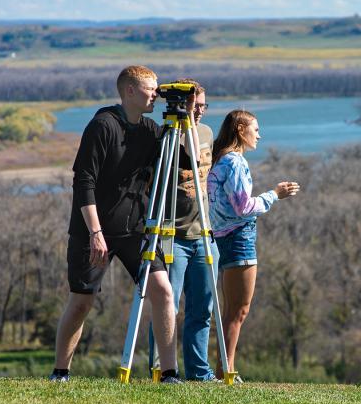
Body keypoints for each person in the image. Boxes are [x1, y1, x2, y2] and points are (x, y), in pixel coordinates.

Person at [50, 65, 182, 384]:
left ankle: (169, 373)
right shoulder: (102, 126)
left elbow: (181, 162)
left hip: (135, 230)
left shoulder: (150, 129)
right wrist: (95, 232)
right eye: (151, 89)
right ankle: (60, 372)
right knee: (82, 301)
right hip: (93, 230)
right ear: (130, 91)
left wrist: (187, 120)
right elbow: (84, 181)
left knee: (163, 290)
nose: (156, 94)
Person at [206, 109, 300, 381]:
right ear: (240, 130)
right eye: (255, 129)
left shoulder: (218, 160)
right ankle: (227, 372)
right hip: (239, 239)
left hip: (221, 237)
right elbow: (243, 206)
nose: (259, 135)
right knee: (238, 311)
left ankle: (225, 368)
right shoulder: (234, 162)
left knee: (229, 310)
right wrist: (275, 195)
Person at [165, 78, 219, 381]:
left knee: (202, 310)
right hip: (174, 235)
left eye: (202, 106)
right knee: (166, 310)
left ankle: (199, 373)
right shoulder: (167, 133)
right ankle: (162, 369)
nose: (198, 112)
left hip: (203, 233)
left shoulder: (207, 133)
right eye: (193, 105)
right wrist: (182, 124)